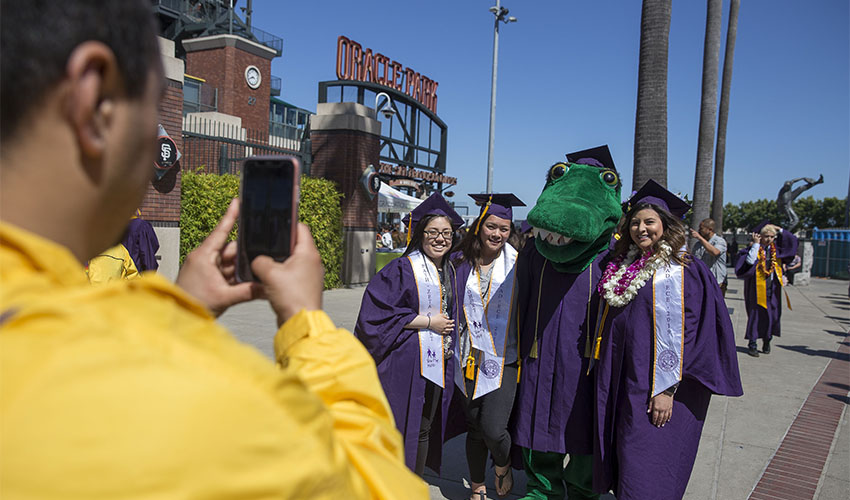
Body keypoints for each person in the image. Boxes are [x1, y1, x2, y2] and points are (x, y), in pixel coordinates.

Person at [0, 1, 426, 497]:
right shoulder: (214, 406)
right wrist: (308, 325)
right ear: (95, 98)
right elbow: (377, 485)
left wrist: (179, 312)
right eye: (154, 107)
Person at [593, 180, 743, 500]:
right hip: (624, 381)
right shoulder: (625, 265)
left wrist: (666, 388)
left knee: (647, 463)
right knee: (625, 455)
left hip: (660, 387)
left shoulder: (685, 269)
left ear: (666, 225)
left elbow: (694, 334)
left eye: (649, 222)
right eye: (634, 222)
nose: (640, 228)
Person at [513, 146, 624, 500]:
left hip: (587, 362)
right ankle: (540, 488)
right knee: (537, 419)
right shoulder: (535, 252)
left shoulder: (613, 257)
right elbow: (521, 298)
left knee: (583, 426)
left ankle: (581, 491)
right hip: (539, 351)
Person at [354, 193, 464, 476]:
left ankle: (413, 484)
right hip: (405, 363)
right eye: (433, 232)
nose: (440, 239)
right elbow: (375, 315)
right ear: (420, 234)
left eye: (446, 233)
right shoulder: (402, 268)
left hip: (438, 360)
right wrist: (429, 322)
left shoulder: (450, 270)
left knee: (423, 427)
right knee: (401, 423)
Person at [452, 193, 525, 499]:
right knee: (474, 427)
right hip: (467, 356)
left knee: (494, 428)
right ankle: (477, 485)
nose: (497, 234)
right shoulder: (459, 263)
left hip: (503, 358)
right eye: (492, 226)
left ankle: (503, 464)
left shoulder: (519, 265)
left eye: (504, 229)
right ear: (479, 226)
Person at [735, 222, 798, 357]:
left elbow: (792, 241)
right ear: (760, 236)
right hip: (756, 290)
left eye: (772, 236)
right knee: (755, 316)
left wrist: (779, 229)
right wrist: (756, 244)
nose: (769, 239)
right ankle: (752, 344)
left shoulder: (777, 251)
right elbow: (749, 262)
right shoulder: (754, 249)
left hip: (773, 289)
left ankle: (767, 340)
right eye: (766, 236)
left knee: (772, 315)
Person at [690, 218, 728, 296]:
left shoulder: (719, 241)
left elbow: (715, 252)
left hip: (717, 281)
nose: (699, 230)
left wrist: (699, 238)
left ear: (710, 229)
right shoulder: (698, 244)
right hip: (703, 281)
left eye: (701, 228)